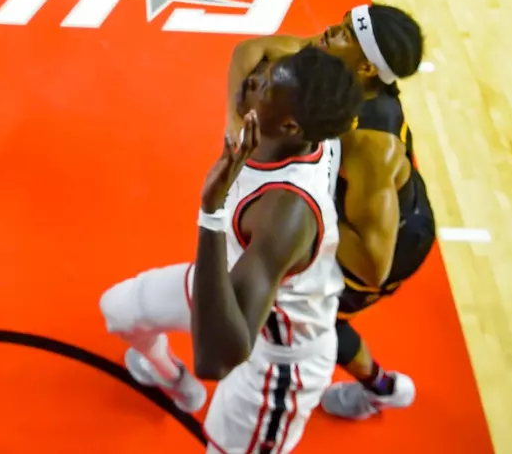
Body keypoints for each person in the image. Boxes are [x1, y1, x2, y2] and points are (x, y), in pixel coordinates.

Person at [98, 47, 363, 451]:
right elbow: (256, 50)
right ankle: (171, 379)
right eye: (268, 71)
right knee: (119, 309)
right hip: (238, 282)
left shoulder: (284, 213)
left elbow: (216, 358)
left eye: (270, 84)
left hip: (278, 360)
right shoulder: (299, 123)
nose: (255, 77)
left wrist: (211, 213)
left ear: (291, 124)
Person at [228, 5, 432, 421]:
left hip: (381, 243)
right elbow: (251, 49)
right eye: (339, 23)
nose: (326, 32)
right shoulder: (332, 61)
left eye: (342, 33)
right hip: (348, 209)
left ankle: (382, 388)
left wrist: (306, 197)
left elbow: (374, 264)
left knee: (312, 320)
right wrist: (236, 128)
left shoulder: (373, 145)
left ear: (365, 68)